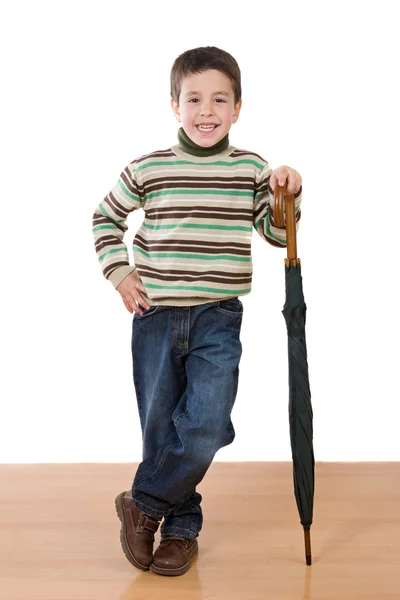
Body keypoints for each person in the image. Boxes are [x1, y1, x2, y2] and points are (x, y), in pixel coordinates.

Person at [92, 46, 302, 577]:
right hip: (156, 316)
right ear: (174, 105)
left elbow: (277, 235)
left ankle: (143, 502)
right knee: (162, 428)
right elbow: (103, 218)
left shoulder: (251, 168)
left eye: (219, 100)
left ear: (237, 108)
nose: (206, 111)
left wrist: (287, 195)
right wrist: (120, 274)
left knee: (206, 425)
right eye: (194, 99)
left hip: (218, 316)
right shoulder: (149, 167)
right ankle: (180, 530)